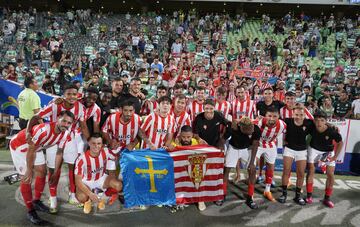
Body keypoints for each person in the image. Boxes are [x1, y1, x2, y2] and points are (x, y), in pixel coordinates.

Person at [26, 84, 90, 212]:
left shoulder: (81, 108)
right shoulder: (54, 105)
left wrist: (90, 142)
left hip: (69, 139)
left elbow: (83, 126)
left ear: (78, 95)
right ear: (63, 95)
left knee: (73, 167)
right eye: (68, 94)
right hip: (54, 141)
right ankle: (53, 198)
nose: (72, 97)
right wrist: (28, 131)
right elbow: (36, 116)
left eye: (74, 94)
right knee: (54, 170)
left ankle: (72, 195)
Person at [10, 110, 73, 224]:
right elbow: (31, 150)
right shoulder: (43, 130)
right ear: (57, 118)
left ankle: (36, 201)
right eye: (64, 121)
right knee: (26, 178)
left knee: (42, 172)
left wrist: (55, 171)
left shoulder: (66, 134)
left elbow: (59, 152)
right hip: (20, 148)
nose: (66, 124)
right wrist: (29, 170)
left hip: (36, 148)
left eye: (69, 123)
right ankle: (30, 211)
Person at [75, 133, 123, 214]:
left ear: (102, 144)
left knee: (118, 185)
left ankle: (103, 196)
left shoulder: (106, 151)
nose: (96, 146)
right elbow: (78, 181)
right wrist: (90, 194)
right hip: (86, 181)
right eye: (93, 143)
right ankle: (88, 201)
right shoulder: (81, 159)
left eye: (99, 143)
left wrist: (117, 146)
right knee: (81, 197)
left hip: (101, 179)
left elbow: (115, 154)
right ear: (89, 143)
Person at [306, 111, 343, 208]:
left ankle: (327, 198)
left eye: (322, 120)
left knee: (330, 175)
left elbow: (340, 143)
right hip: (313, 150)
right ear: (314, 121)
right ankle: (309, 196)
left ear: (326, 121)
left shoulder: (331, 131)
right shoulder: (311, 126)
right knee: (311, 171)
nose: (319, 123)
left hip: (328, 152)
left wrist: (335, 157)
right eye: (317, 120)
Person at [278, 105, 314, 205]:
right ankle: (284, 195)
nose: (299, 116)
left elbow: (318, 123)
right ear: (293, 114)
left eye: (301, 114)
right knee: (286, 171)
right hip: (289, 149)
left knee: (301, 174)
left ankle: (297, 196)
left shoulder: (308, 123)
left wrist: (330, 125)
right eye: (296, 114)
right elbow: (276, 124)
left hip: (302, 151)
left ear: (305, 115)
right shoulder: (288, 121)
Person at [224, 117, 260, 209]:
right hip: (234, 148)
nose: (250, 132)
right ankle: (222, 194)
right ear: (241, 128)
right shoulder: (234, 127)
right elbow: (223, 138)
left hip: (247, 149)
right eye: (248, 131)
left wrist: (252, 163)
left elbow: (255, 144)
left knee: (252, 171)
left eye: (251, 129)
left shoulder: (256, 129)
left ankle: (250, 197)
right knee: (226, 169)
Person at [256, 107, 286, 201]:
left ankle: (267, 190)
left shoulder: (282, 125)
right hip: (258, 145)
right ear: (265, 116)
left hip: (271, 145)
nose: (272, 118)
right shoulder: (259, 122)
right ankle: (251, 189)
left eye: (274, 116)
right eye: (269, 116)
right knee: (252, 167)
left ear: (279, 116)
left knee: (271, 167)